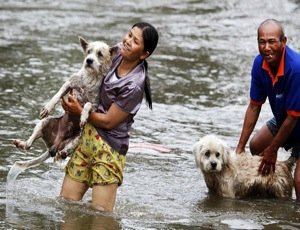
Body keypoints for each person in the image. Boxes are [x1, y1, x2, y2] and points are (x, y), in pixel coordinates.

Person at [59, 22, 159, 211]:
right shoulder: (114, 54)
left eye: (135, 41)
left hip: (109, 149)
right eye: (129, 35)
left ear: (144, 54)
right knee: (66, 206)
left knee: (101, 216)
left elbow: (108, 121)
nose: (127, 41)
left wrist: (79, 111)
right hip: (87, 140)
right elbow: (89, 71)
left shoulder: (134, 85)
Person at [235, 19, 300, 202]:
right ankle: (272, 193)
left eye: (272, 41)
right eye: (261, 42)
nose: (266, 47)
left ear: (284, 41)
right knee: (256, 146)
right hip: (284, 119)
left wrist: (273, 150)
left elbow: (293, 117)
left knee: (299, 182)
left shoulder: (295, 69)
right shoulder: (259, 64)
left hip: (294, 119)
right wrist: (239, 148)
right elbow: (255, 106)